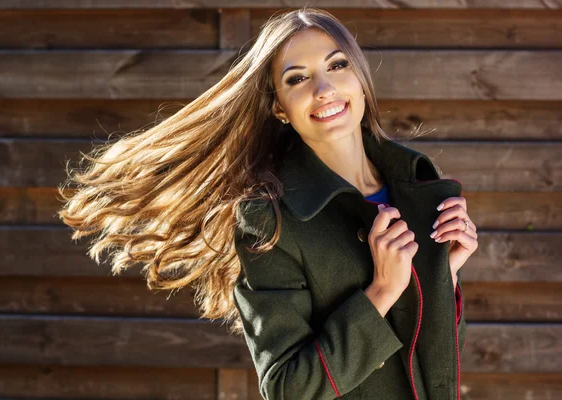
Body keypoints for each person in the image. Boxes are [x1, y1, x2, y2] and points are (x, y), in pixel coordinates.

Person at [57, 7, 478, 400]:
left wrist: (446, 277)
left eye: (337, 65)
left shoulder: (419, 188)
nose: (324, 89)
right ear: (279, 106)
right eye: (298, 78)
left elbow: (432, 366)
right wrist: (382, 292)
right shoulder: (269, 222)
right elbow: (286, 387)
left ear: (360, 75)